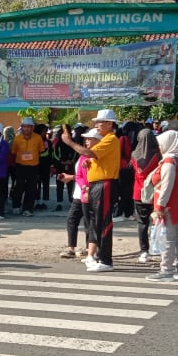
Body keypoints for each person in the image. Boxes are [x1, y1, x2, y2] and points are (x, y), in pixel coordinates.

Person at [62, 109, 121, 271]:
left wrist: (70, 142)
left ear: (109, 123)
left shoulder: (111, 139)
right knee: (95, 221)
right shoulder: (105, 140)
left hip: (105, 184)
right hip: (96, 184)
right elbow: (94, 158)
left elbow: (89, 152)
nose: (97, 125)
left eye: (100, 122)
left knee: (103, 222)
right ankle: (96, 256)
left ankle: (106, 260)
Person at [147, 130, 178, 281]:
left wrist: (160, 206)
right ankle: (176, 268)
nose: (159, 147)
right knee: (176, 239)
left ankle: (166, 270)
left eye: (161, 144)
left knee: (167, 239)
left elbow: (166, 186)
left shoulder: (169, 162)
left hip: (169, 206)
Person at [58, 126, 98, 260]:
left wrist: (83, 186)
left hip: (87, 193)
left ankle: (89, 248)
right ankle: (71, 248)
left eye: (89, 139)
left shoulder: (95, 156)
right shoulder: (83, 155)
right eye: (85, 139)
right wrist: (71, 177)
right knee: (72, 219)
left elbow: (88, 176)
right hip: (79, 193)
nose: (86, 141)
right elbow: (80, 175)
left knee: (89, 222)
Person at [131, 128, 160, 264]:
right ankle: (157, 248)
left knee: (142, 223)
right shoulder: (158, 155)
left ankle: (144, 251)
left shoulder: (134, 155)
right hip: (155, 193)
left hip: (138, 193)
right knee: (157, 221)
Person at [10, 117, 45, 216]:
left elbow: (41, 150)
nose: (26, 129)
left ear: (32, 127)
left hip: (33, 167)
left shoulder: (38, 138)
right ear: (21, 127)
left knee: (32, 188)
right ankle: (16, 206)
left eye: (29, 127)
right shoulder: (17, 138)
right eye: (24, 127)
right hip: (20, 166)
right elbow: (13, 151)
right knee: (18, 187)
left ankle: (28, 209)